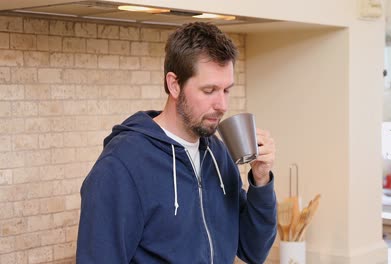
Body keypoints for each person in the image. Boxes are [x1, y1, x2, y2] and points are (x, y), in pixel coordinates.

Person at [76, 22, 277, 264]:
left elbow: (253, 250)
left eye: (226, 90)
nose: (222, 105)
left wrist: (261, 180)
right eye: (209, 90)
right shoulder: (121, 165)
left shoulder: (217, 154)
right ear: (174, 84)